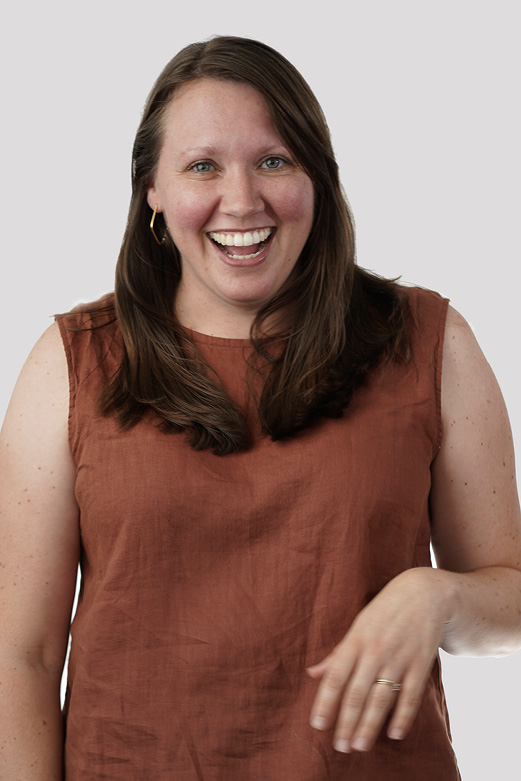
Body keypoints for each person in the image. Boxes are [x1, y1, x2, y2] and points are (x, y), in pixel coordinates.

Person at [1, 35, 520, 781]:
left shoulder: (430, 342)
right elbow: (20, 653)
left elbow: (511, 600)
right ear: (152, 189)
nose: (241, 201)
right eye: (202, 165)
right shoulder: (70, 363)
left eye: (273, 160)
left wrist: (436, 595)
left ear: (317, 177)